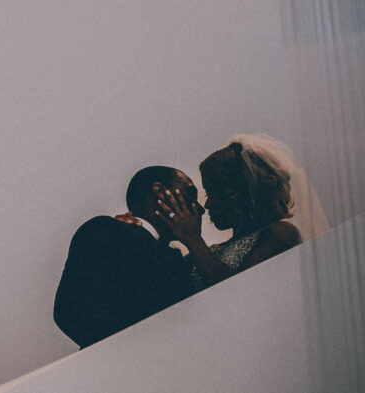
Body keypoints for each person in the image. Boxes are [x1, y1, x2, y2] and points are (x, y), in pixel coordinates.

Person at [154, 134, 328, 291]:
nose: (207, 204)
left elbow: (239, 292)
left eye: (213, 193)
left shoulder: (281, 234)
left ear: (241, 195)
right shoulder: (210, 252)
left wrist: (193, 240)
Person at [53, 166, 200, 349]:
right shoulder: (105, 230)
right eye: (190, 194)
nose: (199, 208)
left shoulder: (176, 258)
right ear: (159, 192)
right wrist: (138, 353)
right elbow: (72, 309)